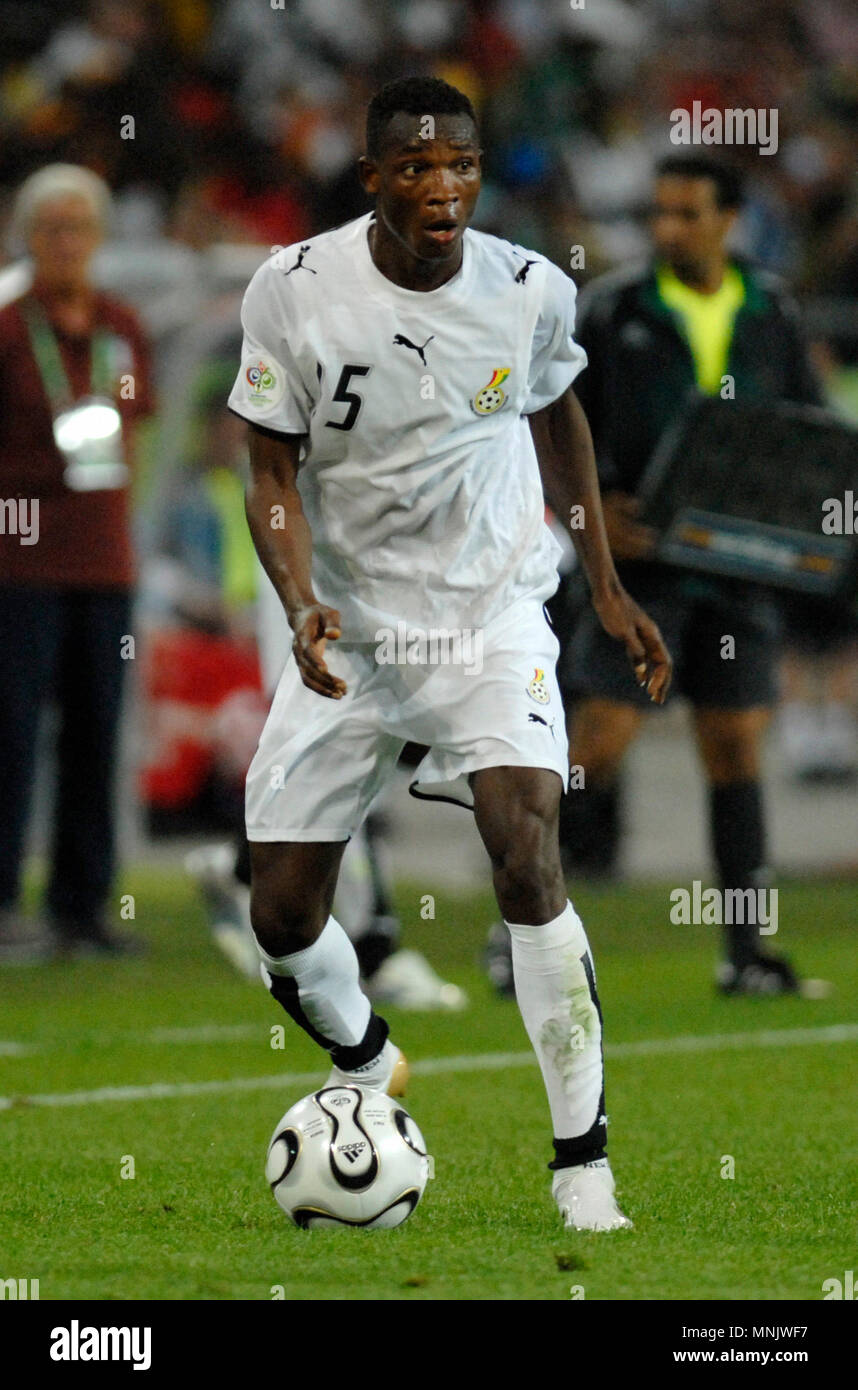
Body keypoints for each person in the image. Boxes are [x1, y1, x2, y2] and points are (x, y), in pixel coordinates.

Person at [227, 77, 671, 1231]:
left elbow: (557, 416)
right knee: (278, 909)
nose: (442, 188)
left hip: (490, 613)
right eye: (416, 168)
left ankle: (584, 1168)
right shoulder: (292, 289)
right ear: (372, 177)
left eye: (461, 167)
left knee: (526, 852)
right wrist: (300, 597)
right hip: (356, 630)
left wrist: (608, 591)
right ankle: (368, 1066)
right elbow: (269, 471)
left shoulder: (529, 290)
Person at [556, 154, 828, 996]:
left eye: (686, 213)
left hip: (734, 568)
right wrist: (594, 514)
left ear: (729, 221)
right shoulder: (613, 310)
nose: (667, 229)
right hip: (637, 570)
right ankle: (521, 932)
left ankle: (746, 954)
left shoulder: (771, 309)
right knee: (594, 743)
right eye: (659, 214)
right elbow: (555, 428)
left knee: (735, 745)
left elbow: (809, 429)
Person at [0, 164, 153, 960]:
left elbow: (140, 424)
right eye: (51, 228)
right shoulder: (5, 322)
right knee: (10, 736)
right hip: (15, 563)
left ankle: (81, 904)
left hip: (104, 563)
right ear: (27, 237)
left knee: (96, 738)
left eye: (79, 227)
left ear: (97, 238)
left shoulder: (121, 324)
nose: (66, 242)